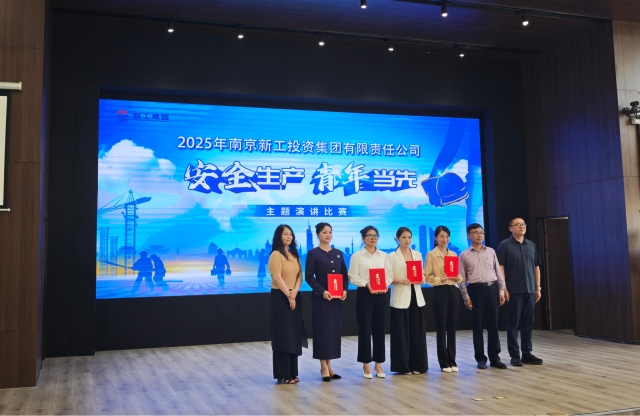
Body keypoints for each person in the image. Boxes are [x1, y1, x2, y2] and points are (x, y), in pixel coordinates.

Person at [459, 223, 507, 370]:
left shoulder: (491, 251)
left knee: (493, 325)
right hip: (475, 290)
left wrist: (501, 291)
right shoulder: (464, 255)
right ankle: (480, 358)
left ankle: (495, 358)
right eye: (476, 232)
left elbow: (498, 273)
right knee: (477, 326)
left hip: (492, 289)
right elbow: (462, 279)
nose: (479, 235)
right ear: (469, 235)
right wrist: (466, 296)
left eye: (481, 232)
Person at [305, 222, 349, 382]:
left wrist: (345, 290)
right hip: (321, 299)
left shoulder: (338, 253)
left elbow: (344, 275)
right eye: (324, 232)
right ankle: (323, 366)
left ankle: (330, 367)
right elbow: (309, 277)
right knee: (322, 332)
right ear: (318, 235)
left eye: (330, 232)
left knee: (332, 332)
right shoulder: (313, 253)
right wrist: (322, 291)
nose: (328, 235)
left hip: (336, 300)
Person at [497, 216, 544, 367]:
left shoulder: (531, 245)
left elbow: (536, 267)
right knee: (513, 323)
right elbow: (501, 267)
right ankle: (515, 355)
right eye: (518, 224)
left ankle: (527, 353)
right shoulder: (505, 245)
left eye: (523, 224)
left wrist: (538, 287)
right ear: (510, 228)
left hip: (530, 289)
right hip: (514, 289)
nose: (522, 226)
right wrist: (503, 288)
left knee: (528, 322)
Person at [348, 225, 393, 379]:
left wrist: (384, 284)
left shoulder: (384, 256)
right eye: (369, 235)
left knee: (380, 329)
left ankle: (378, 363)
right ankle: (366, 363)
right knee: (365, 329)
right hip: (365, 294)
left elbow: (389, 275)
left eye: (375, 235)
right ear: (363, 238)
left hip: (381, 294)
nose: (373, 238)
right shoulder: (357, 256)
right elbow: (352, 276)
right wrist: (366, 283)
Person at [268, 224, 308, 384]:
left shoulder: (294, 254)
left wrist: (295, 291)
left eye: (290, 234)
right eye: (285, 234)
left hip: (294, 295)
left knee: (293, 335)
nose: (288, 237)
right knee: (283, 336)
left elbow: (300, 275)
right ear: (279, 236)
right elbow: (277, 277)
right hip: (280, 297)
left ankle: (292, 372)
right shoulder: (275, 255)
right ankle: (283, 374)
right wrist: (289, 296)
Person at [389, 227, 428, 375]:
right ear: (397, 239)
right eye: (404, 237)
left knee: (417, 333)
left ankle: (418, 365)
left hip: (416, 297)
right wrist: (400, 280)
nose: (407, 240)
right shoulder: (391, 256)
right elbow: (387, 277)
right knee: (401, 334)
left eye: (409, 237)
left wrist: (422, 278)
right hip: (400, 297)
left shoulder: (417, 254)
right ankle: (402, 366)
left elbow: (421, 273)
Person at [425, 225, 462, 373]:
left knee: (452, 327)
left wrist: (458, 277)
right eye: (441, 236)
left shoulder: (453, 254)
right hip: (440, 291)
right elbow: (427, 276)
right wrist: (439, 278)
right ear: (435, 238)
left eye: (446, 236)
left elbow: (458, 274)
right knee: (441, 327)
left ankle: (452, 360)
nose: (444, 239)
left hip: (453, 290)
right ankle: (444, 361)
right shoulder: (431, 254)